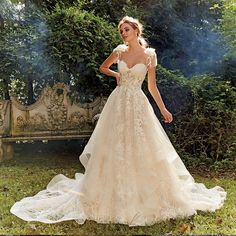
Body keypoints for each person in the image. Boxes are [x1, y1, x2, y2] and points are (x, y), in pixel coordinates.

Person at [10, 16, 226, 227]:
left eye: (127, 29)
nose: (123, 33)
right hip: (118, 103)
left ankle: (146, 194)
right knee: (114, 145)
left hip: (139, 104)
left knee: (142, 145)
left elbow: (152, 87)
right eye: (121, 31)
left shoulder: (150, 55)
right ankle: (107, 192)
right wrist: (116, 75)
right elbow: (103, 67)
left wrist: (163, 109)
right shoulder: (119, 51)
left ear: (136, 30)